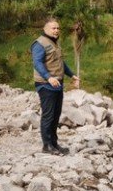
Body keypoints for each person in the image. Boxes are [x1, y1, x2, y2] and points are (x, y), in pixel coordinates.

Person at [31, 17, 80, 155]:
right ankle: (46, 146)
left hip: (57, 84)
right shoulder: (39, 44)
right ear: (45, 29)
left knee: (56, 115)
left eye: (58, 28)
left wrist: (72, 75)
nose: (56, 30)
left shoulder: (55, 43)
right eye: (53, 28)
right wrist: (49, 77)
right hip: (46, 85)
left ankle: (54, 144)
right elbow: (37, 63)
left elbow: (60, 63)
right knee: (48, 115)